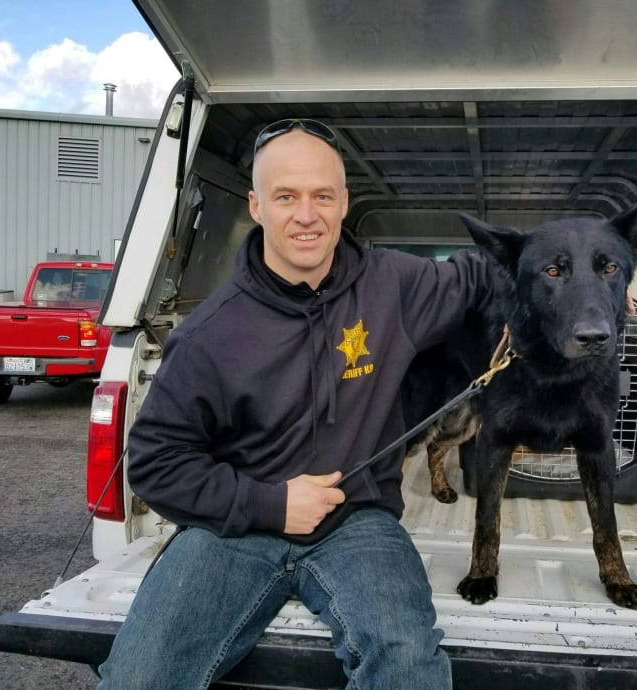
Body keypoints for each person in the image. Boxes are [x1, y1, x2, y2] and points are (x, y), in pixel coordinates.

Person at [96, 119, 494, 689]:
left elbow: (488, 273)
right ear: (257, 205)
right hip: (230, 532)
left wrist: (593, 275)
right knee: (139, 677)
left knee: (408, 665)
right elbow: (156, 465)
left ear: (344, 203)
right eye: (287, 197)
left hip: (358, 524)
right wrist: (270, 504)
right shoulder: (210, 334)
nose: (306, 215)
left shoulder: (396, 286)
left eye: (322, 196)